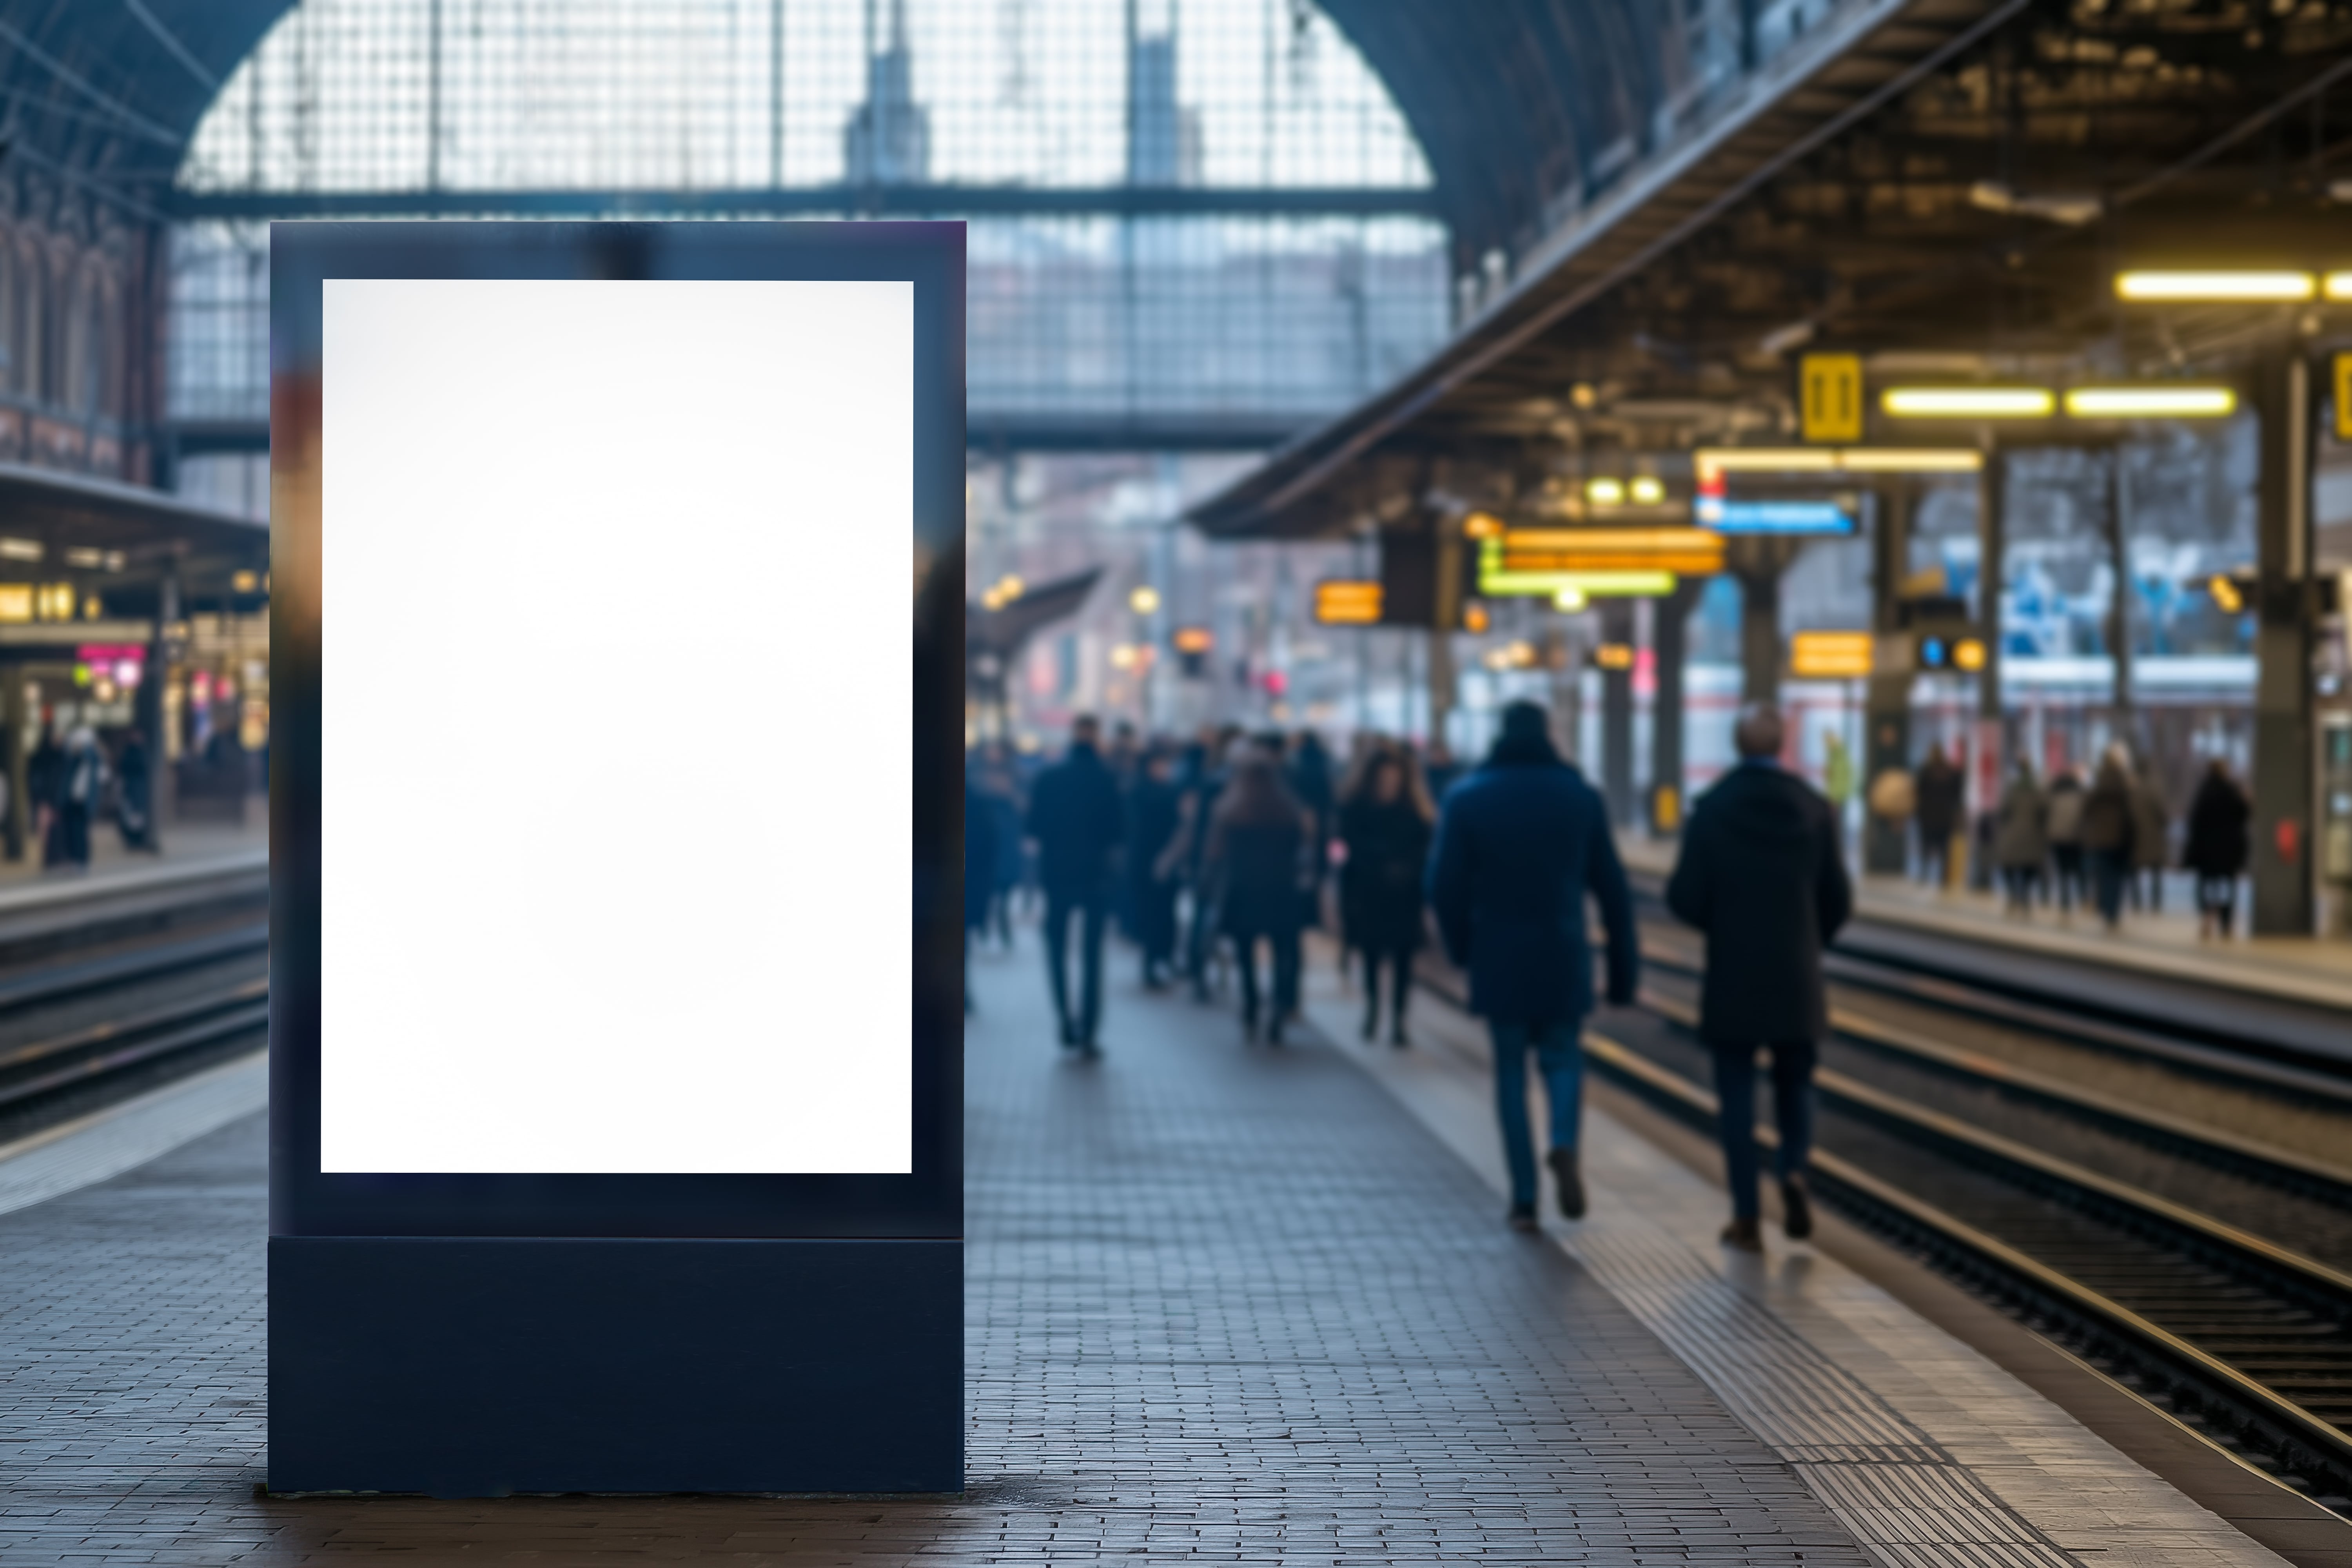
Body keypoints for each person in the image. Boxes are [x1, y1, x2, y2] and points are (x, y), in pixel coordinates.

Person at [1428, 701, 1636, 1232]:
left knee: (1509, 1073)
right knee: (1564, 1058)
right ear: (1549, 735)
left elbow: (1443, 887)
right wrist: (1622, 970)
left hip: (1498, 952)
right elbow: (1613, 892)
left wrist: (1461, 948)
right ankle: (1564, 1143)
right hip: (1563, 948)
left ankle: (1525, 1196)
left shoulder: (1467, 797)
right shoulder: (1580, 797)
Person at [1666, 703, 1851, 1252]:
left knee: (1737, 1098)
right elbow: (1838, 898)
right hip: (1797, 974)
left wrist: (1723, 924)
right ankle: (1793, 1169)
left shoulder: (1712, 809)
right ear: (1782, 746)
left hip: (1734, 974)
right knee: (1797, 1085)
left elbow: (1684, 896)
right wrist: (1808, 938)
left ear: (1736, 746)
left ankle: (1747, 1216)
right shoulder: (1814, 809)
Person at [1025, 716, 1125, 1055]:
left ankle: (1065, 1019)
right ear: (1096, 737)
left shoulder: (1049, 778)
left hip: (1057, 874)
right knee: (1092, 954)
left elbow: (1033, 828)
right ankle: (1089, 1029)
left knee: (1056, 948)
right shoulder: (1108, 780)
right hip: (1096, 876)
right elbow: (1119, 832)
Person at [1203, 745, 1310, 1044]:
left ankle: (1250, 1006)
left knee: (1246, 953)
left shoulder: (1230, 810)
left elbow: (1215, 853)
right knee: (1282, 953)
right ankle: (1277, 1006)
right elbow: (1302, 851)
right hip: (1281, 891)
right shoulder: (1289, 810)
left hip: (1243, 891)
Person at [1338, 747, 1433, 1046]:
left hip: (1404, 897)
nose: (1388, 786)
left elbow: (1424, 851)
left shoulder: (1416, 812)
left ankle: (1399, 1021)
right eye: (1383, 780)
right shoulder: (1356, 808)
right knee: (1371, 956)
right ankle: (1373, 1009)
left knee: (1404, 961)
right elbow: (1349, 850)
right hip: (1369, 896)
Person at [1124, 746, 1184, 987]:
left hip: (1166, 861)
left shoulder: (1166, 791)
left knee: (1166, 914)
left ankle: (1161, 960)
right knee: (1152, 916)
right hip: (1145, 862)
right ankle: (1152, 963)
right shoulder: (1142, 792)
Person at [2183, 758, 2250, 938]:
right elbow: (2244, 814)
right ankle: (2226, 922)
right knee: (2226, 886)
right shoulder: (2232, 791)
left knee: (2207, 885)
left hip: (2207, 852)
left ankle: (2208, 915)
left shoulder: (2204, 792)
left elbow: (2195, 823)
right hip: (2227, 852)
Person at [2082, 746, 2137, 932]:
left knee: (2103, 875)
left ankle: (2105, 909)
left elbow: (2087, 808)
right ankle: (2113, 912)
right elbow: (2131, 811)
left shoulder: (2098, 782)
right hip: (2120, 837)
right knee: (2117, 876)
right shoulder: (2124, 783)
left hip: (2100, 837)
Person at [1991, 760, 2047, 915]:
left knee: (2008, 866)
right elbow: (2044, 813)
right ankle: (2025, 896)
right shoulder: (2038, 790)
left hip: (2012, 835)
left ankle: (2013, 895)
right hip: (2033, 836)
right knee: (2030, 868)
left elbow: (2003, 812)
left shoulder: (2012, 790)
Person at [53, 726, 105, 871]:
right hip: (71, 800)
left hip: (84, 802)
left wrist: (86, 745)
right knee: (71, 832)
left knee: (81, 833)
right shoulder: (73, 760)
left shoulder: (92, 758)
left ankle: (82, 861)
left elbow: (92, 758)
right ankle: (73, 859)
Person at [1913, 742, 1964, 887]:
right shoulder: (1950, 772)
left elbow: (1918, 793)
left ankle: (1924, 875)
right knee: (1944, 851)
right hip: (1945, 818)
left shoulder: (1925, 771)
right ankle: (1944, 879)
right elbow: (1957, 796)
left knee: (1925, 848)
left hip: (1927, 818)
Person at [2128, 757, 2170, 912]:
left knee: (2135, 872)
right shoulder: (2155, 788)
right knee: (2156, 872)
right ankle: (2156, 904)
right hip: (2154, 837)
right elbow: (2163, 814)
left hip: (2136, 835)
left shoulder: (2133, 789)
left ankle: (2137, 903)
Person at [2045, 764, 2087, 915]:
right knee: (2078, 870)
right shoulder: (2079, 794)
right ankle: (2083, 899)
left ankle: (2065, 903)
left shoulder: (2054, 794)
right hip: (2075, 838)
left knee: (2062, 872)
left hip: (2057, 837)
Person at [114, 729, 154, 853]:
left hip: (137, 789)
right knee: (130, 816)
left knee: (137, 817)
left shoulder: (140, 752)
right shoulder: (129, 752)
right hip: (131, 788)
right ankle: (132, 841)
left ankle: (138, 841)